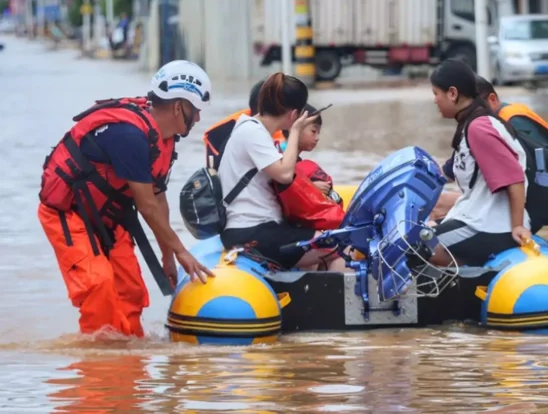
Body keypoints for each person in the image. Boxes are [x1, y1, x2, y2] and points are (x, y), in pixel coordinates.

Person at [37, 60, 216, 338]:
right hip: (69, 214)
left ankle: (130, 367)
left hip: (109, 215)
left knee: (130, 290)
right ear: (180, 107)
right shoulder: (129, 136)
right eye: (196, 111)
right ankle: (99, 370)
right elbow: (145, 206)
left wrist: (167, 256)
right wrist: (182, 252)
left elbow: (158, 199)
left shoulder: (163, 139)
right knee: (98, 286)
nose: (198, 119)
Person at [218, 73, 347, 272]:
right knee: (335, 246)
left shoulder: (252, 129)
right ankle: (343, 302)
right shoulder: (252, 132)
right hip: (252, 232)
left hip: (260, 229)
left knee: (315, 245)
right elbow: (285, 175)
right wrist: (295, 131)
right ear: (294, 114)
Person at [427, 59, 531, 267]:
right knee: (422, 231)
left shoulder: (479, 128)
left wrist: (518, 226)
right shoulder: (473, 123)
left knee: (411, 247)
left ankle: (468, 278)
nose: (435, 100)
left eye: (436, 93)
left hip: (492, 227)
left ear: (453, 93)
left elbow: (515, 179)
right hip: (481, 219)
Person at [474, 76, 548, 244]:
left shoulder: (513, 120)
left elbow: (543, 162)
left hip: (540, 197)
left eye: (476, 109)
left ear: (493, 100)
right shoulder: (494, 122)